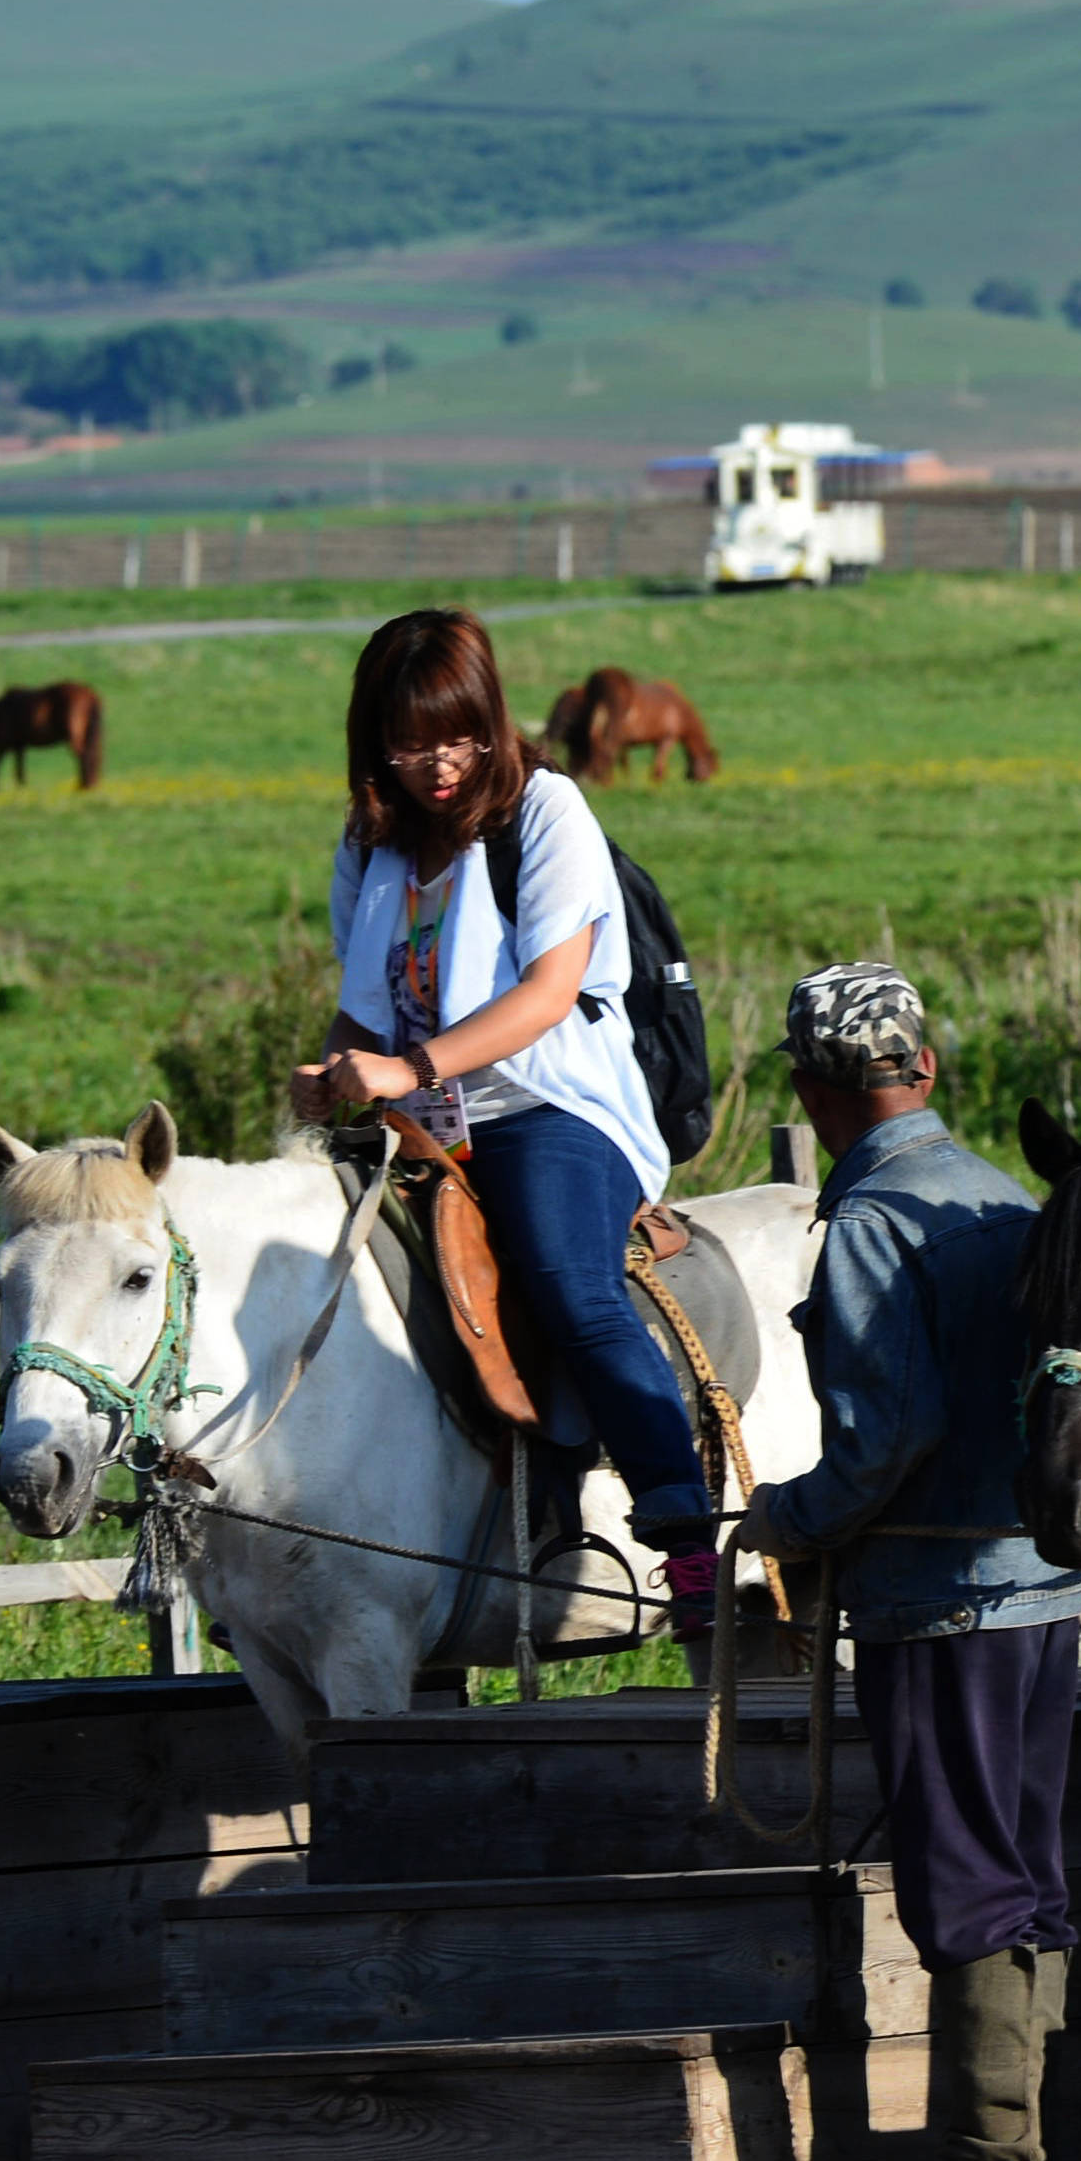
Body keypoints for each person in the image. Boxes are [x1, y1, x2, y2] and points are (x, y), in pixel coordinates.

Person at [286, 609, 721, 1623]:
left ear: (491, 720)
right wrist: (331, 1069)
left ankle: (683, 1527)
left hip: (548, 1103)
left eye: (459, 734)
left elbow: (550, 991)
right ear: (373, 741)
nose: (438, 762)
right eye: (409, 741)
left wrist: (409, 1066)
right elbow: (365, 996)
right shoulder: (373, 840)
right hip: (424, 1113)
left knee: (571, 1286)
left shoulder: (545, 812)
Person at [739, 962, 1081, 2161]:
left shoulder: (876, 1227)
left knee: (964, 1873)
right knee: (1031, 1864)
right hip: (1043, 1596)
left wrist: (791, 1515)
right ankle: (1048, 2133)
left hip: (938, 1603)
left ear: (812, 1092)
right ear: (925, 1070)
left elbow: (886, 1435)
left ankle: (991, 2159)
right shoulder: (1006, 1200)